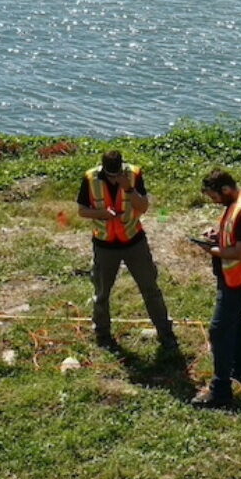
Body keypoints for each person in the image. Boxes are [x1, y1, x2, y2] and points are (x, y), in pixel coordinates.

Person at [77, 150, 177, 354]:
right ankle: (103, 334)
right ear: (103, 168)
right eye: (110, 175)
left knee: (150, 289)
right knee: (102, 293)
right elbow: (82, 211)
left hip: (134, 241)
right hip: (104, 245)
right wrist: (102, 214)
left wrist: (129, 189)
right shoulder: (90, 178)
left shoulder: (134, 174)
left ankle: (165, 333)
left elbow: (144, 207)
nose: (114, 179)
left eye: (117, 174)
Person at [188, 168, 241, 409]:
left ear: (225, 189)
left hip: (239, 278)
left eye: (215, 197)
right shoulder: (239, 201)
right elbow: (236, 238)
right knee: (236, 320)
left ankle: (220, 389)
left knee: (219, 330)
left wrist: (213, 250)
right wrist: (218, 237)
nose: (215, 202)